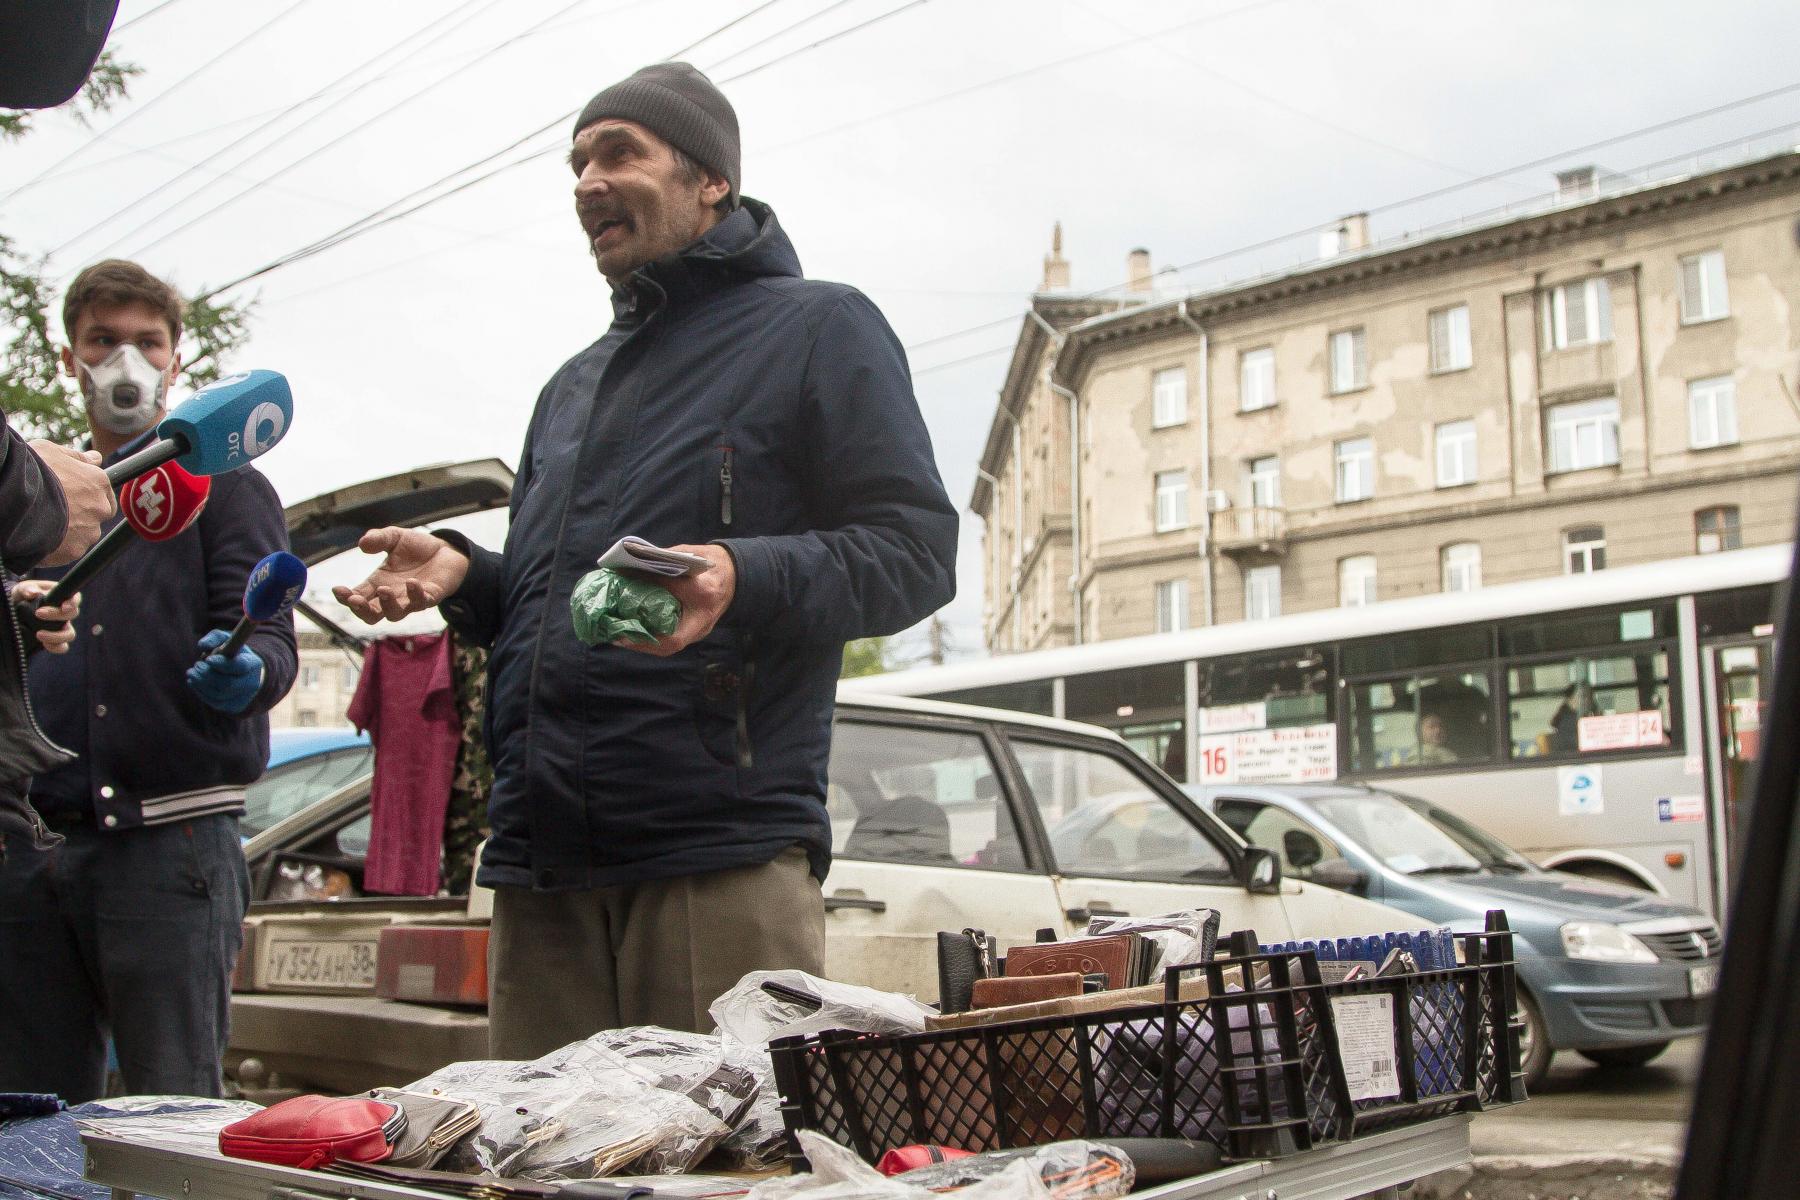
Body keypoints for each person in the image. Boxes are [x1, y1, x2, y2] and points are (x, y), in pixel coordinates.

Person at [334, 62, 958, 1051]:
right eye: (577, 160)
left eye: (618, 151)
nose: (586, 179)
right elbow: (578, 609)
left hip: (716, 856)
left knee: (716, 1169)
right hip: (543, 868)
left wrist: (738, 575)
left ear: (713, 178)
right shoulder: (571, 389)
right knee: (542, 1165)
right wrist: (469, 574)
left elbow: (917, 552)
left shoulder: (819, 328)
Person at [0, 259, 298, 1102]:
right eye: (103, 341)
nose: (124, 360)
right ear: (70, 357)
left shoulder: (227, 486)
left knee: (171, 1117)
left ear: (176, 361)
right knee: (31, 1123)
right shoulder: (26, 491)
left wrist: (252, 670)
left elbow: (268, 632)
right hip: (31, 850)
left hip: (172, 851)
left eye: (146, 341)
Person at [1548, 682, 1595, 755]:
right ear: (1570, 699)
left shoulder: (1583, 717)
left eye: (1589, 697)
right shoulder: (1568, 720)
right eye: (1582, 697)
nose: (1587, 700)